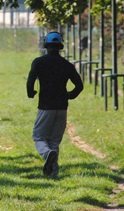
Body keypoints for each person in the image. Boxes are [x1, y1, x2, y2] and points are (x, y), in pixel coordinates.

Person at [26, 31, 83, 177]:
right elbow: (79, 85)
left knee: (39, 137)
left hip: (46, 107)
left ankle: (46, 154)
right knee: (54, 141)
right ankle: (53, 172)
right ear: (60, 46)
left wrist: (31, 92)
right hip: (62, 107)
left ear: (46, 46)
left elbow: (31, 80)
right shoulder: (67, 65)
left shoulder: (38, 62)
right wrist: (69, 95)